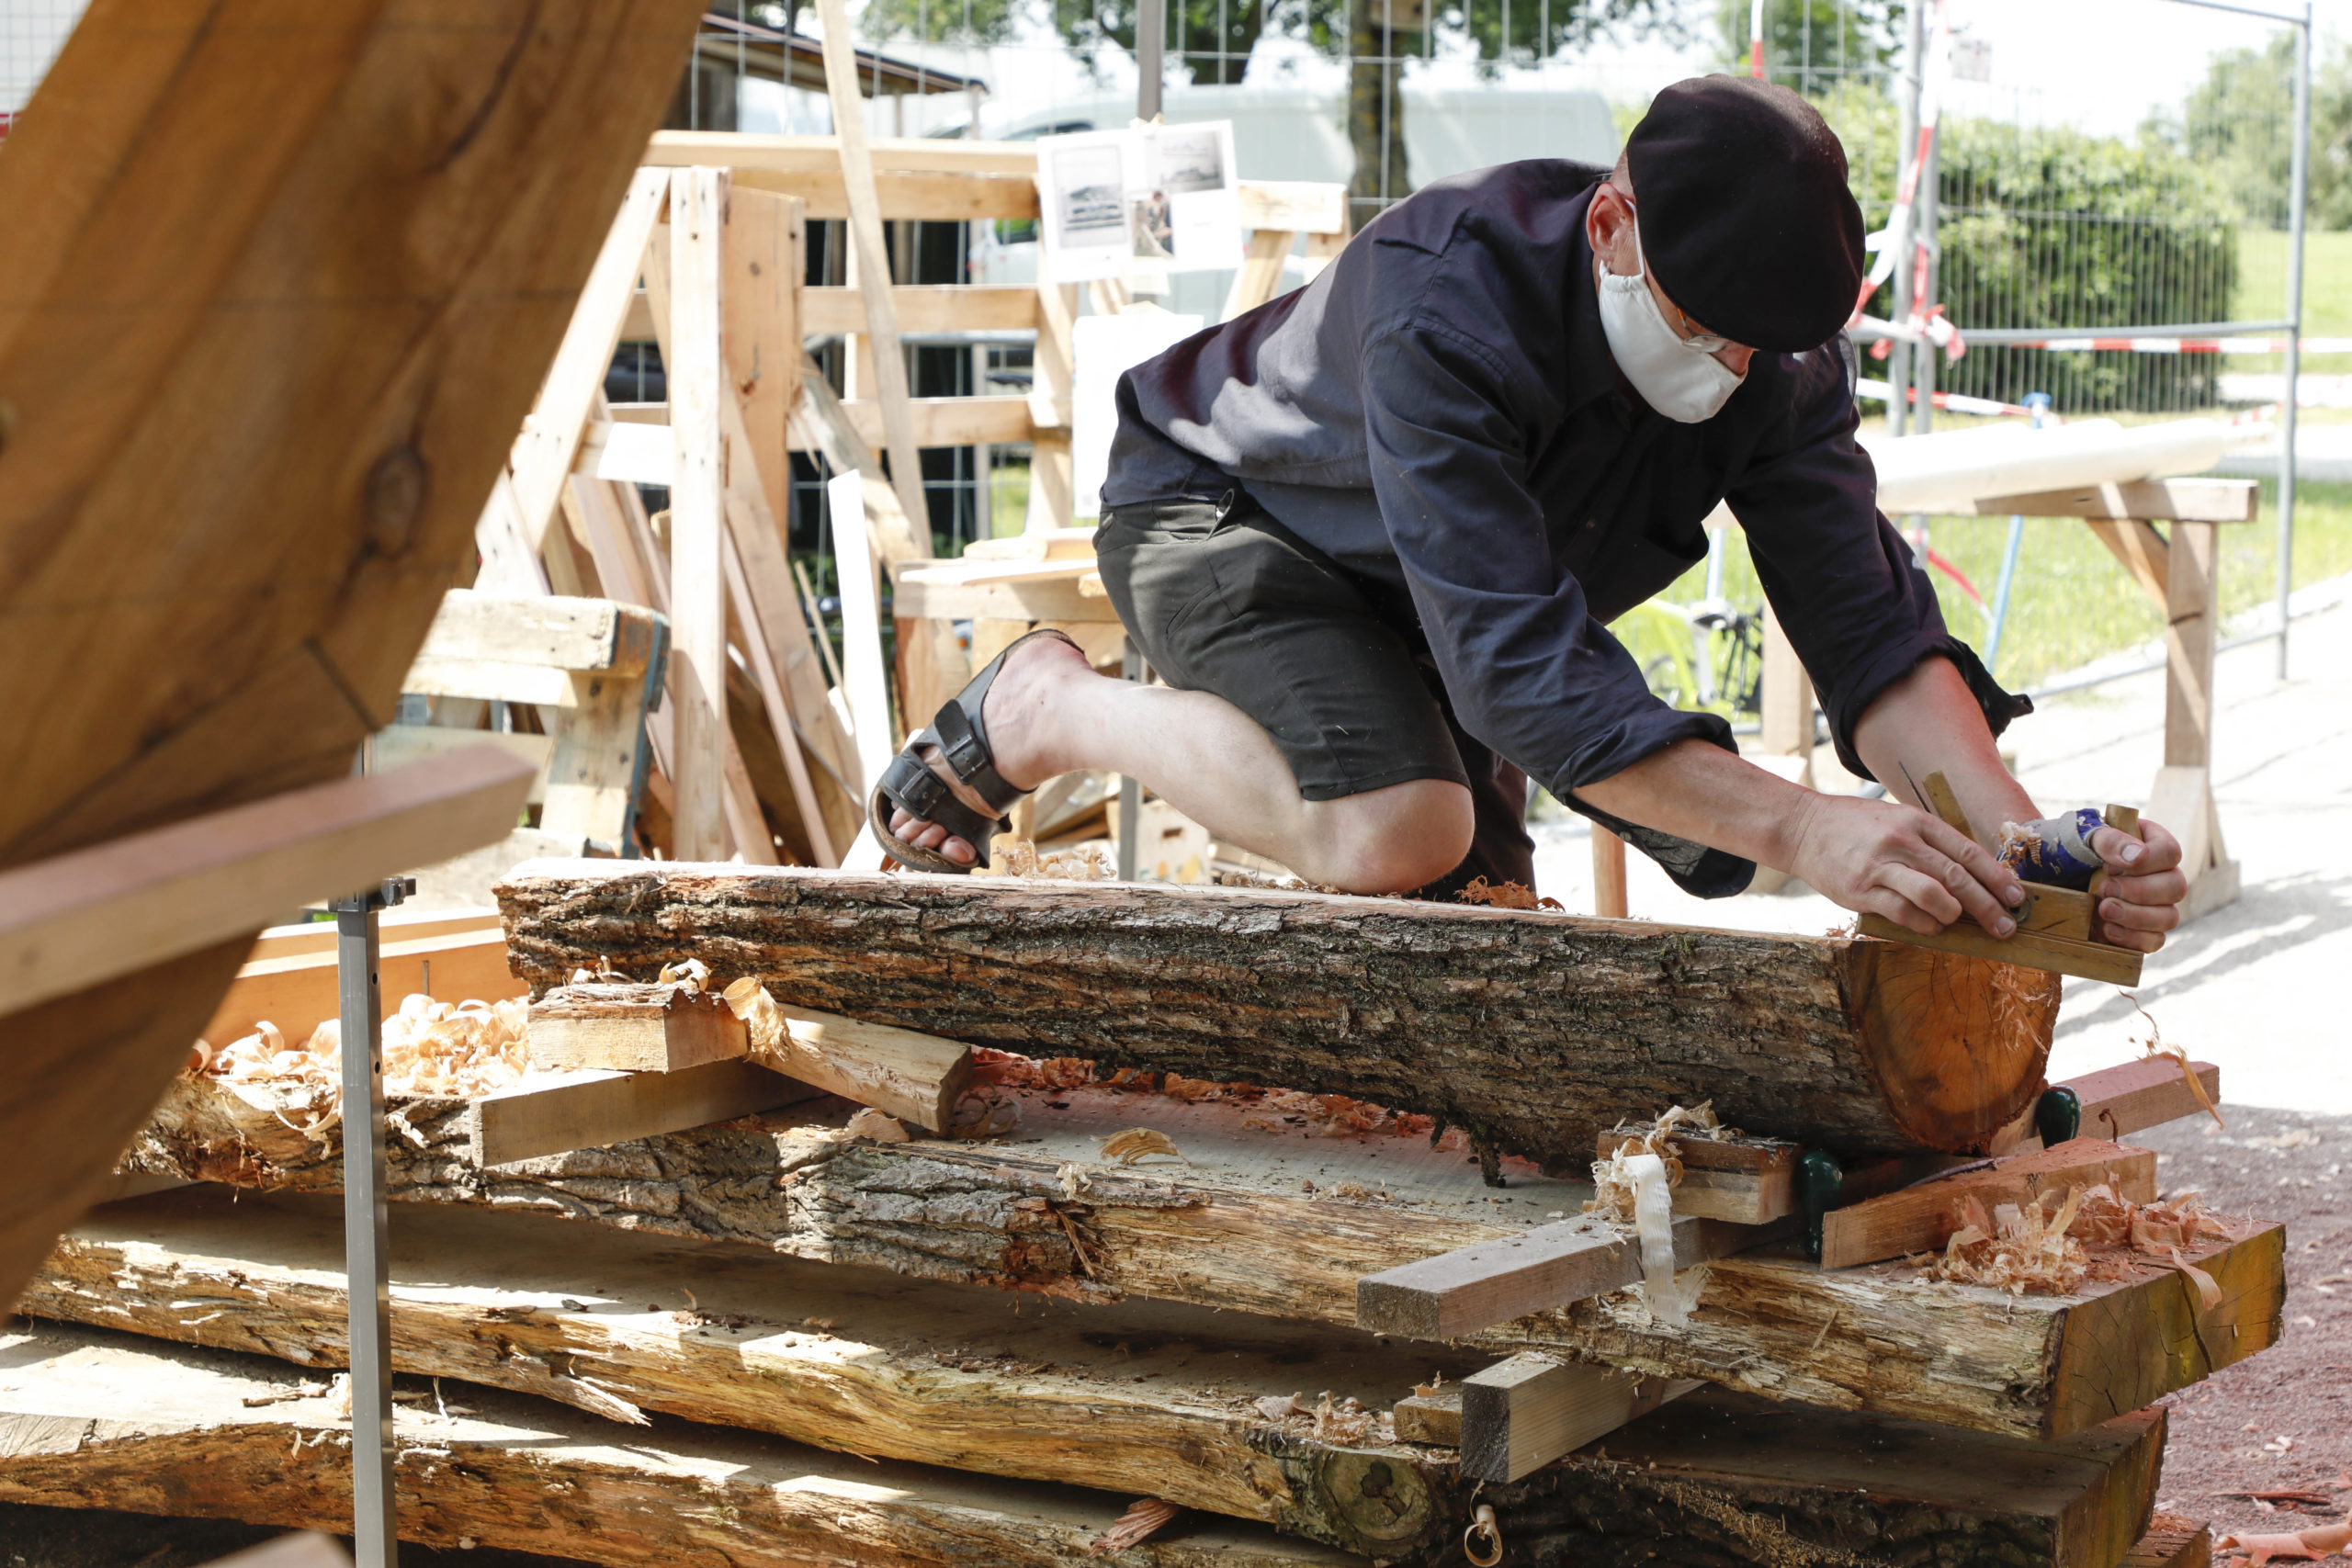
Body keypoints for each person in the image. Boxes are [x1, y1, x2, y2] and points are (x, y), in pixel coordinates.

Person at [870, 75, 2186, 952]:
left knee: (1479, 925)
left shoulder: (1778, 361)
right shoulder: (1453, 299)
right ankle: (1049, 706)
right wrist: (1797, 826)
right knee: (1403, 830)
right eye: (1704, 331)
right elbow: (1514, 665)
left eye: (1760, 352)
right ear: (1611, 225)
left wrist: (2022, 843)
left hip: (1432, 586)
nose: (1731, 372)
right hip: (1235, 515)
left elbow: (1867, 630)